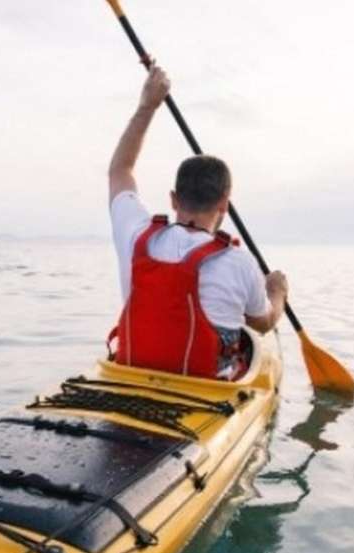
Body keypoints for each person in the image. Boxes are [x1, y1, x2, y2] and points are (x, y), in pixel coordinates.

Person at [107, 63, 289, 380]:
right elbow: (262, 322)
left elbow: (120, 171)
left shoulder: (136, 235)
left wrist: (147, 106)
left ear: (174, 199)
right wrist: (277, 292)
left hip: (132, 379)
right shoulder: (240, 262)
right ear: (224, 203)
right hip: (207, 391)